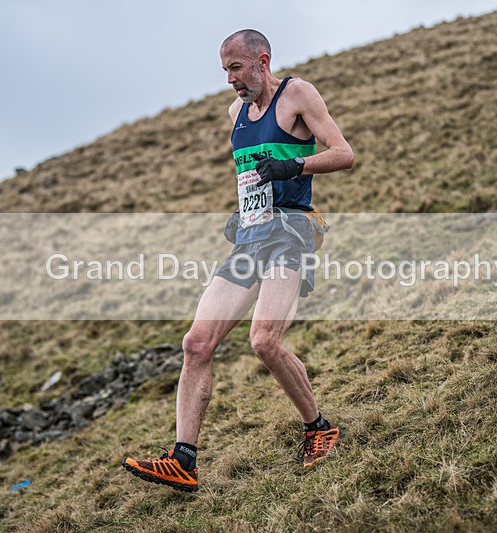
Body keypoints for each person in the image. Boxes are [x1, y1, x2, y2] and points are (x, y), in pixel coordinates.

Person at [123, 29, 354, 493]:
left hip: (293, 230)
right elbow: (251, 179)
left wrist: (294, 167)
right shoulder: (236, 113)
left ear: (261, 61)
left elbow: (344, 154)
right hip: (252, 236)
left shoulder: (297, 94)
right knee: (196, 342)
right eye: (224, 70)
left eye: (236, 68)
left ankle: (319, 428)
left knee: (264, 341)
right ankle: (183, 459)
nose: (230, 79)